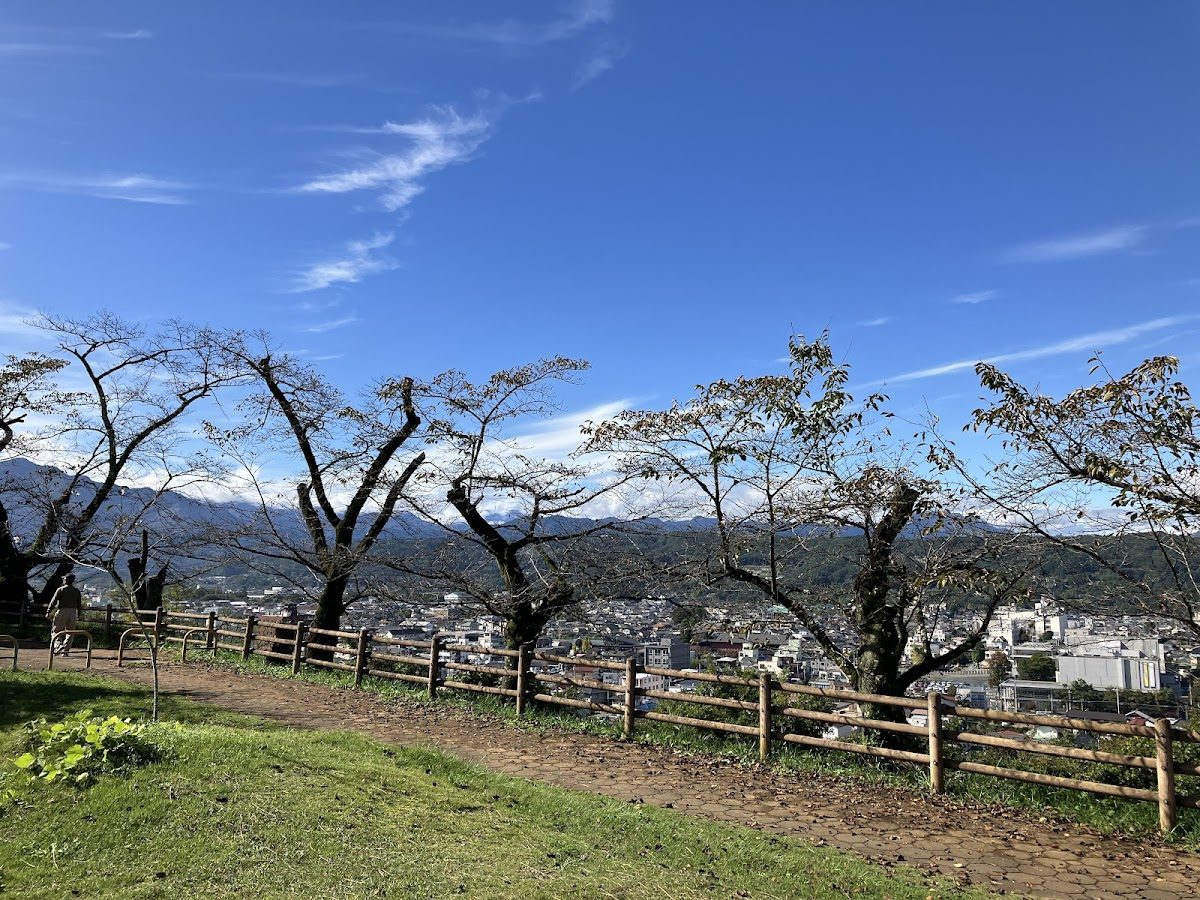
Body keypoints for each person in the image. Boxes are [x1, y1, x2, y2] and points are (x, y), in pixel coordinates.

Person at [46, 573, 82, 655]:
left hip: (62, 610)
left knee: (55, 631)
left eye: (64, 579)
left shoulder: (61, 589)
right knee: (70, 632)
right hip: (73, 612)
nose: (63, 580)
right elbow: (79, 604)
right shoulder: (76, 591)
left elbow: (53, 601)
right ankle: (65, 650)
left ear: (66, 580)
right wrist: (78, 614)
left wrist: (48, 611)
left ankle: (58, 646)